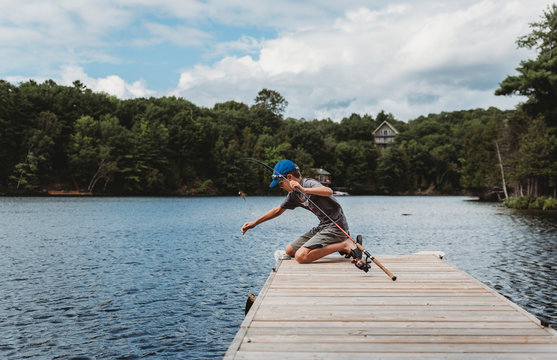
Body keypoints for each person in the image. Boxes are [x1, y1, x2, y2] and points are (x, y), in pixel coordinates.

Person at [241, 160, 362, 264]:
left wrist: (304, 189)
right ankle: (340, 242)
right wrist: (254, 223)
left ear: (289, 177)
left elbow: (328, 191)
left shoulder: (307, 183)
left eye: (281, 183)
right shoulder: (293, 195)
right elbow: (277, 210)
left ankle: (345, 244)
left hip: (336, 226)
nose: (281, 187)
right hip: (323, 227)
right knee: (290, 250)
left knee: (300, 256)